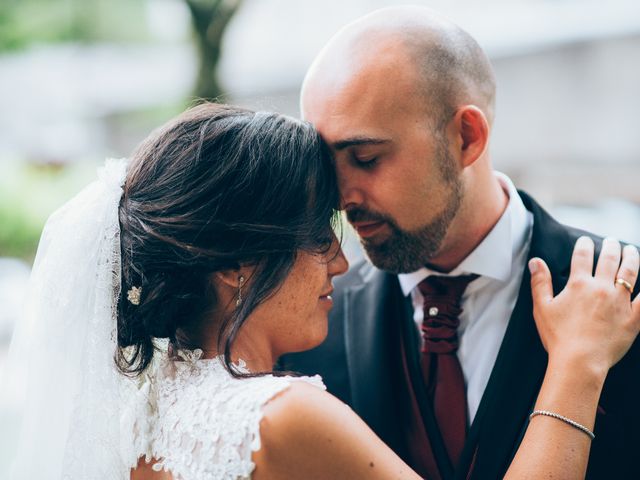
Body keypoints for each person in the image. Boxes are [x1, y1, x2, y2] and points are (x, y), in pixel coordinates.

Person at [5, 103, 639, 480]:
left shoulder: (137, 406)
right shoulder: (278, 415)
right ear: (238, 264)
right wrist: (578, 364)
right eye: (318, 235)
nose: (342, 261)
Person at [281, 5, 640, 480]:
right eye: (328, 166)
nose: (342, 196)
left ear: (467, 137)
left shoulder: (621, 294)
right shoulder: (304, 327)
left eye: (365, 159)